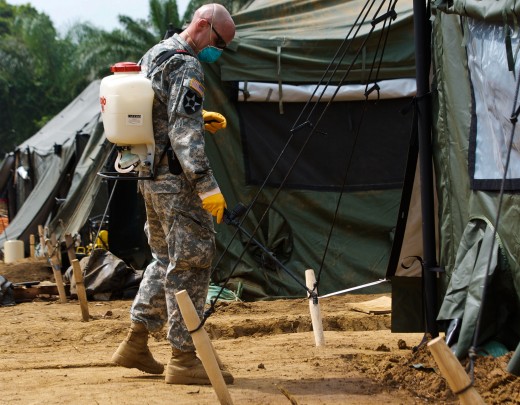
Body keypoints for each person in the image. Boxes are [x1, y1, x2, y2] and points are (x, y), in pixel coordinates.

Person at [111, 3, 236, 385]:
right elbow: (183, 134)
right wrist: (207, 185)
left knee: (165, 258)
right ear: (202, 25)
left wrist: (200, 117)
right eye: (219, 42)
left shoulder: (156, 53)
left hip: (148, 176)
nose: (218, 52)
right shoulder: (187, 65)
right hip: (178, 183)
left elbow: (160, 114)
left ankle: (135, 340)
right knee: (191, 264)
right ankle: (184, 358)